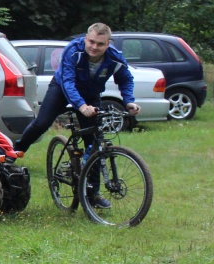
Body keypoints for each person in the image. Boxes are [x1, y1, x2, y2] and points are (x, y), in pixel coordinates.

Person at [13, 23, 137, 206]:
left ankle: (93, 195)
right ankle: (15, 151)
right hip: (62, 88)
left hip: (91, 93)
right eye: (91, 42)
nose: (94, 47)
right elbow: (68, 82)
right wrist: (81, 106)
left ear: (108, 44)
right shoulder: (73, 51)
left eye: (100, 44)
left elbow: (126, 79)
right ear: (86, 39)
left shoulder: (114, 58)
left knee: (94, 143)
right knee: (42, 123)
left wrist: (129, 101)